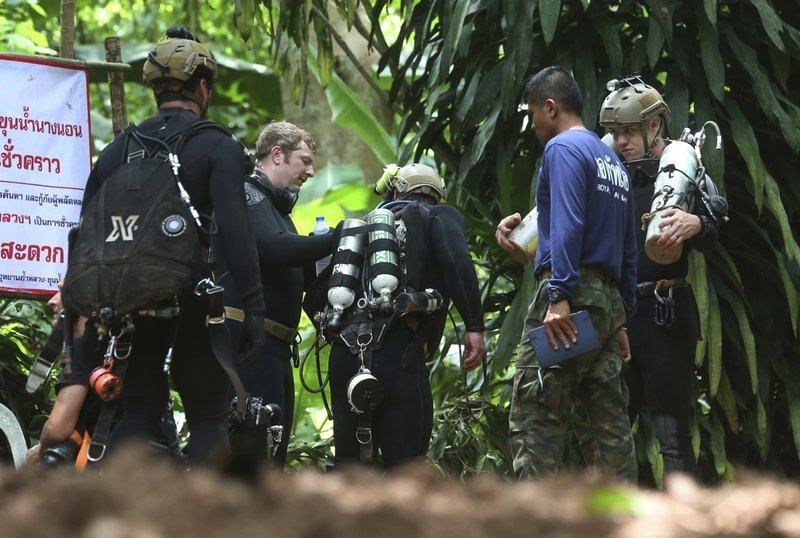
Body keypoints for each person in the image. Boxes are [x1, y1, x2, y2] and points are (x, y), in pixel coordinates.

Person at [70, 26, 265, 465]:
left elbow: (85, 231)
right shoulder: (218, 146)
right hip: (191, 298)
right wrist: (253, 305)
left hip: (127, 303)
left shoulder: (118, 149)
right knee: (209, 412)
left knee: (136, 411)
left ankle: (120, 514)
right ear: (202, 87)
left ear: (156, 88)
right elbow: (236, 235)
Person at [496, 66, 638, 481]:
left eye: (534, 113)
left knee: (536, 416)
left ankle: (533, 522)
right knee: (606, 428)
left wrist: (559, 294)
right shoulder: (611, 159)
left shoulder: (561, 149)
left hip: (570, 298)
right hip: (607, 306)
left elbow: (569, 225)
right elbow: (628, 246)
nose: (534, 125)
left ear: (551, 107)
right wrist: (621, 318)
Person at [597, 76, 724, 478]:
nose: (622, 141)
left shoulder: (683, 167)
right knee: (609, 433)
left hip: (664, 312)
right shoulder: (609, 171)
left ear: (654, 125)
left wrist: (695, 223)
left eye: (630, 131)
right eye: (615, 133)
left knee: (672, 434)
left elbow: (718, 220)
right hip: (614, 314)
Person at [320, 163, 485, 468]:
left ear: (395, 190)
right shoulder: (439, 216)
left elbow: (318, 294)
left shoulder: (355, 231)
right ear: (437, 194)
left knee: (349, 467)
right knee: (407, 466)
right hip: (399, 352)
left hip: (345, 356)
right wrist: (474, 325)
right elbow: (457, 263)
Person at [214, 120, 335, 467]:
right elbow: (273, 249)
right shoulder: (248, 196)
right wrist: (338, 237)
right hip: (248, 343)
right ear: (277, 154)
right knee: (251, 448)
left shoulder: (277, 211)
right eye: (305, 161)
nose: (311, 171)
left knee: (272, 451)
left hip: (274, 348)